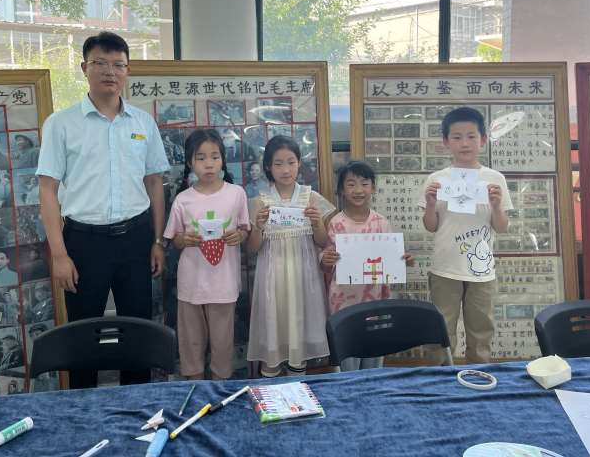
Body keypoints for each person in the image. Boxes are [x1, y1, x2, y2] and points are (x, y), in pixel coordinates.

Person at [37, 32, 169, 389]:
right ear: (84, 68)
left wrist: (157, 241)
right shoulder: (61, 124)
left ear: (127, 71)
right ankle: (83, 409)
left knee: (137, 333)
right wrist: (59, 255)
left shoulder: (142, 122)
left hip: (136, 239)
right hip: (83, 242)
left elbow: (155, 182)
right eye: (100, 63)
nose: (110, 71)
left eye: (118, 65)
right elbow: (47, 190)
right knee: (83, 335)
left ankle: (138, 406)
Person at [420, 107, 512, 364]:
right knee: (440, 330)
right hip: (445, 267)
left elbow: (502, 227)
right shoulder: (437, 179)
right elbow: (431, 226)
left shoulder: (494, 179)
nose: (464, 143)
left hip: (482, 271)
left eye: (471, 136)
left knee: (481, 332)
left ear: (483, 140)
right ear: (446, 142)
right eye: (457, 137)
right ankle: (439, 379)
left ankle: (480, 377)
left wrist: (496, 206)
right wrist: (430, 204)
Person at [164, 129, 250, 381]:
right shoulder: (183, 199)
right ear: (190, 162)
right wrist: (184, 240)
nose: (209, 164)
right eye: (201, 158)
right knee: (191, 342)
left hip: (224, 283)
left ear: (223, 159)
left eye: (214, 156)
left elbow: (245, 229)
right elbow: (175, 239)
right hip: (192, 283)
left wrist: (239, 235)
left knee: (223, 343)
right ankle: (196, 387)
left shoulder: (236, 194)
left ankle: (219, 388)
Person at [246, 135, 334, 377]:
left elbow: (322, 241)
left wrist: (317, 223)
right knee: (272, 341)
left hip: (303, 277)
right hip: (272, 278)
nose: (286, 170)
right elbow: (252, 248)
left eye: (291, 162)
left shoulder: (311, 197)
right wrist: (258, 227)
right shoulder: (259, 202)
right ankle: (270, 393)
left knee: (299, 341)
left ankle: (298, 391)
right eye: (278, 163)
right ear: (268, 167)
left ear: (299, 163)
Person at [320, 161, 414, 371]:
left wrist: (403, 261)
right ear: (341, 190)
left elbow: (391, 261)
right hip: (344, 303)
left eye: (364, 183)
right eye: (351, 184)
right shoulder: (336, 223)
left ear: (373, 188)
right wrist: (326, 260)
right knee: (348, 361)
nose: (358, 190)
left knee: (374, 358)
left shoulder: (381, 223)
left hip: (376, 302)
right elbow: (327, 265)